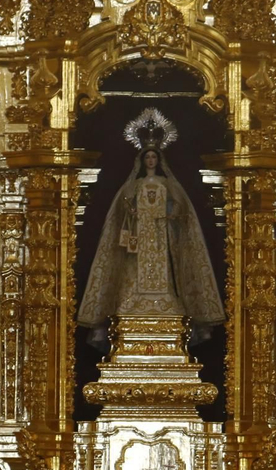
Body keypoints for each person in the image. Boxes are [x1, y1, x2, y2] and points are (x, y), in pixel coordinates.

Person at [77, 140, 224, 347]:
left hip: (161, 237)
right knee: (133, 272)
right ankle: (133, 302)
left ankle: (167, 302)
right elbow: (123, 211)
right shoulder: (135, 185)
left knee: (165, 273)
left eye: (154, 157)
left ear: (159, 160)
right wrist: (131, 213)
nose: (151, 160)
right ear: (142, 160)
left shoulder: (167, 184)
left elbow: (180, 208)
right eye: (148, 157)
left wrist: (171, 213)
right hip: (139, 240)